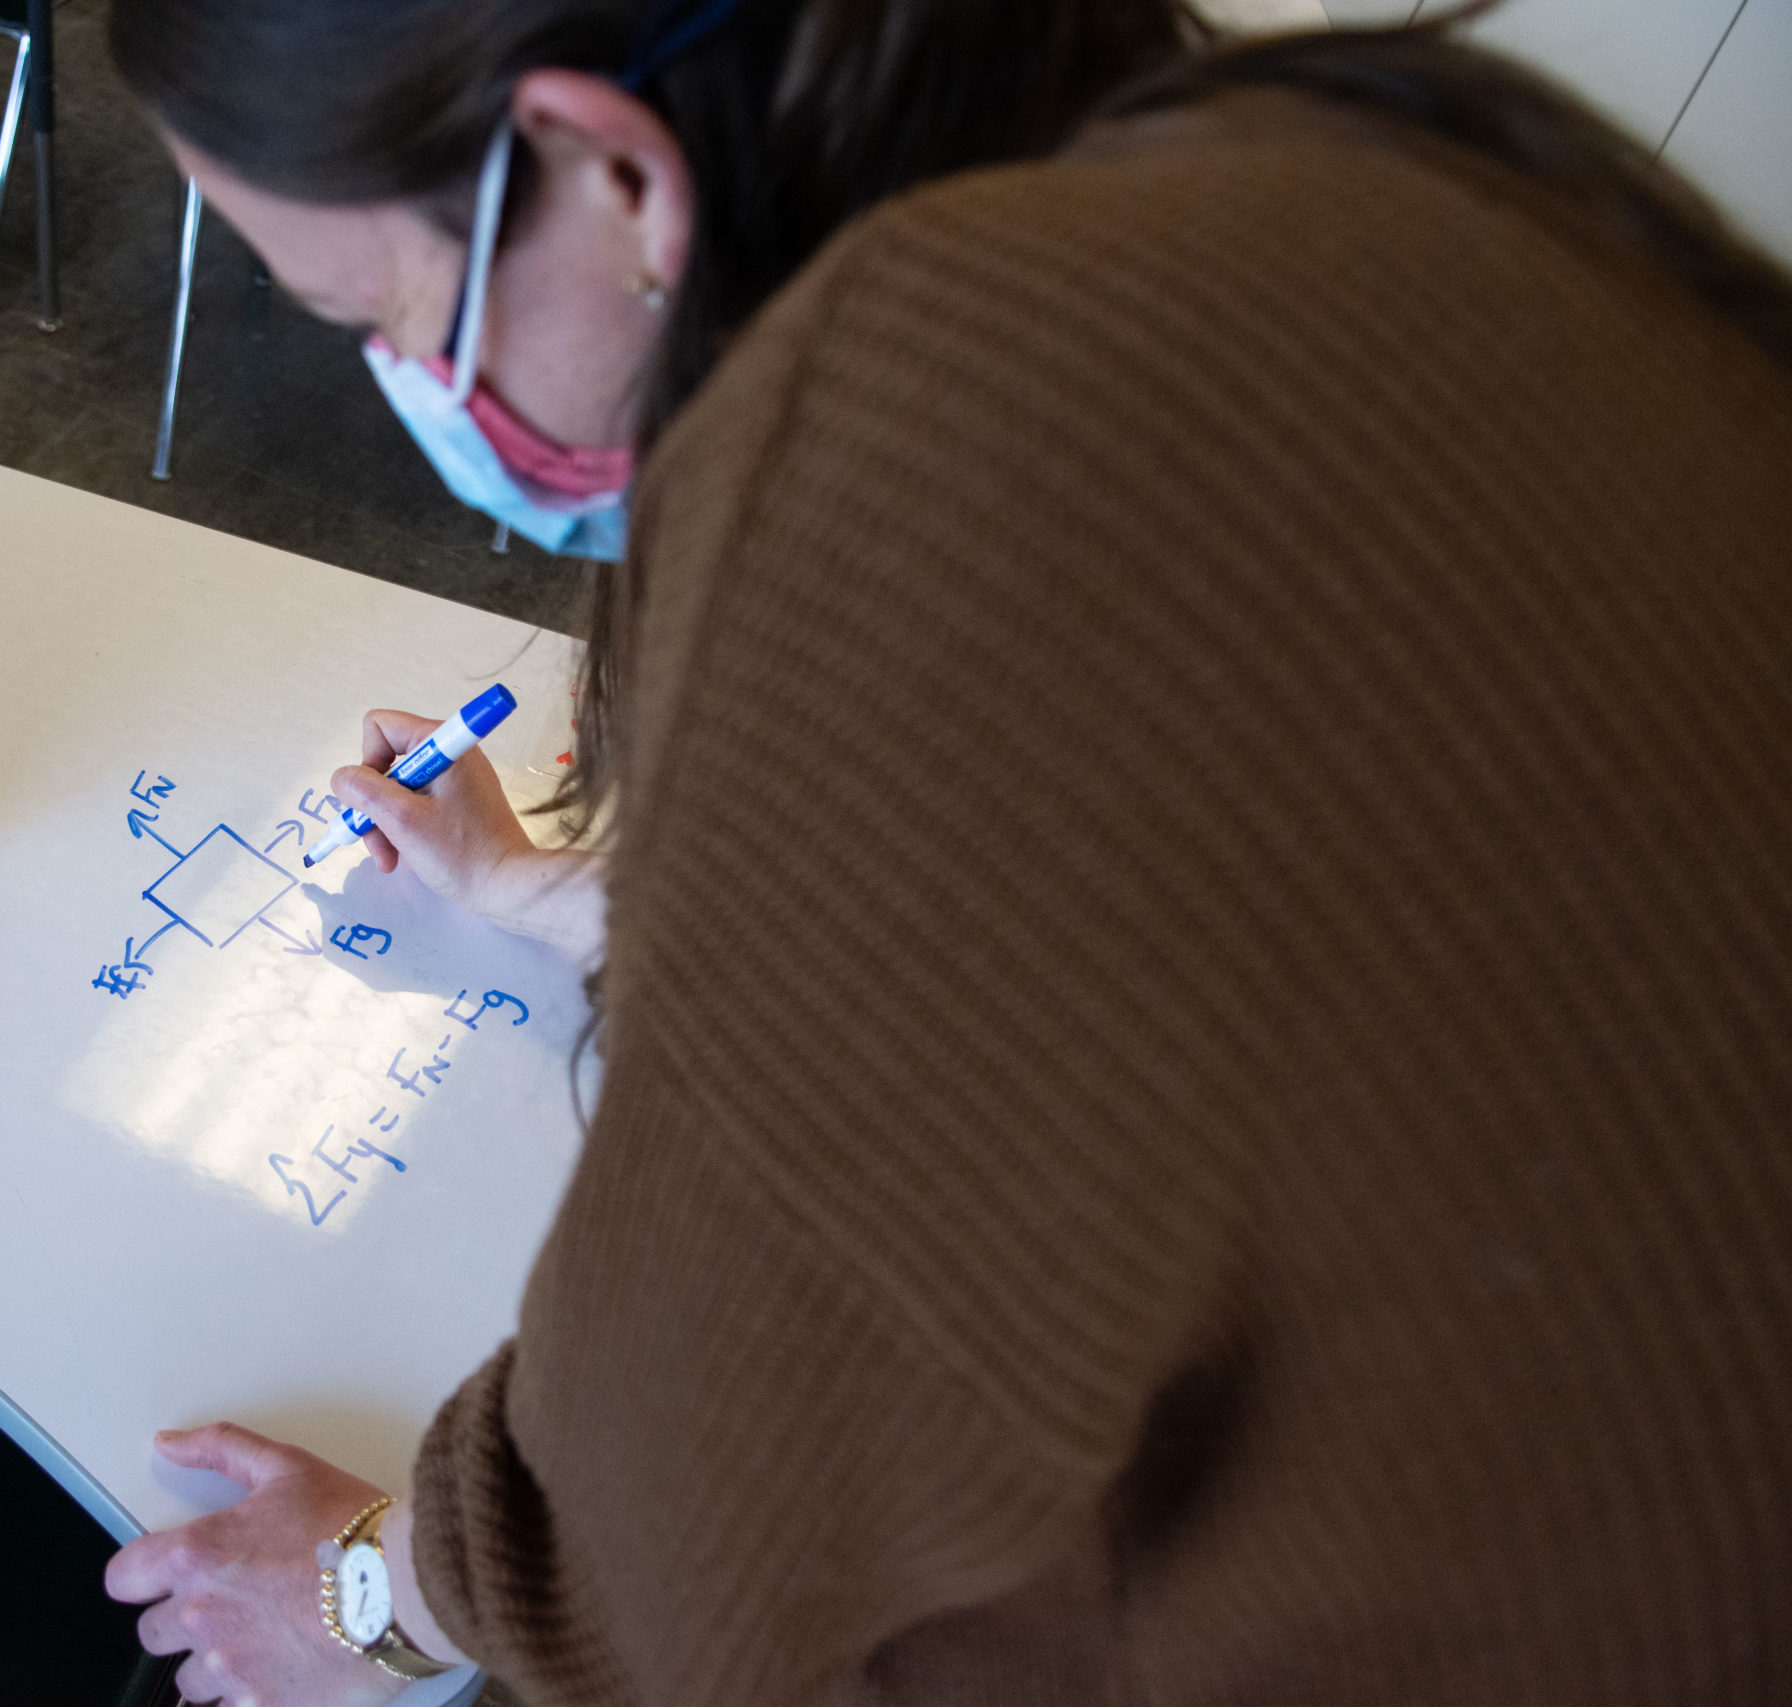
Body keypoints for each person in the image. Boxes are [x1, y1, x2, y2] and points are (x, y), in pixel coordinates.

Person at [100, 1, 1792, 1702]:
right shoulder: (1344, 154)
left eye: (372, 309)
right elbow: (1096, 925)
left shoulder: (915, 469)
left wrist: (362, 1600)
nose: (404, 383)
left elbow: (694, 1462)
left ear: (611, 173)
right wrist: (543, 891)